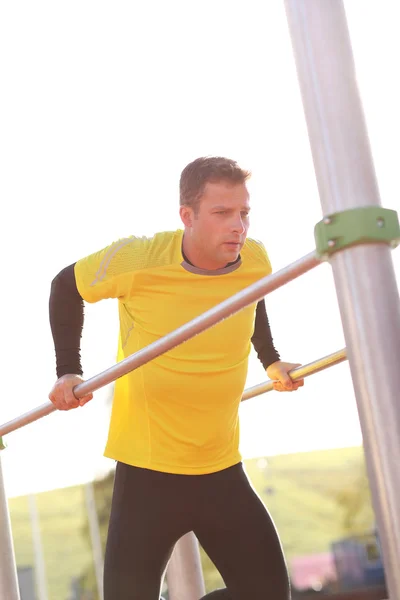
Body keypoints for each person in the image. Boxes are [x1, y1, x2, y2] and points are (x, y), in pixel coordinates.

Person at [48, 156, 304, 600]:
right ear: (187, 216)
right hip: (148, 471)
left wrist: (272, 360)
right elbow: (65, 287)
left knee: (268, 594)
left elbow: (252, 300)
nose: (238, 226)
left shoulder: (255, 258)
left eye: (244, 213)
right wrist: (69, 368)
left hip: (219, 464)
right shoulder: (139, 259)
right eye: (222, 213)